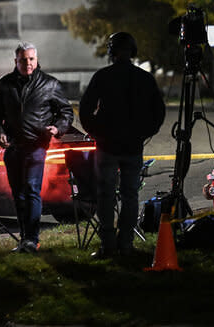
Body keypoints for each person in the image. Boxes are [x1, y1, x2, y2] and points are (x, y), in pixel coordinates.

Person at [79, 32, 166, 258]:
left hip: (107, 147)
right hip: (133, 148)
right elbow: (158, 112)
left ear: (112, 51)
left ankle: (108, 245)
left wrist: (96, 132)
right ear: (133, 51)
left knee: (106, 196)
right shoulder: (145, 78)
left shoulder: (103, 76)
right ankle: (126, 244)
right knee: (130, 196)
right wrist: (144, 133)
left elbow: (86, 109)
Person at [0, 42, 74, 253]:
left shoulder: (49, 84)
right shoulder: (5, 85)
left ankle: (32, 240)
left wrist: (58, 127)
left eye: (31, 59)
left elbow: (66, 111)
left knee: (32, 190)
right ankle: (25, 238)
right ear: (15, 61)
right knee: (18, 194)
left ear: (37, 59)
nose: (28, 63)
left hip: (37, 146)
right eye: (23, 60)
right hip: (13, 148)